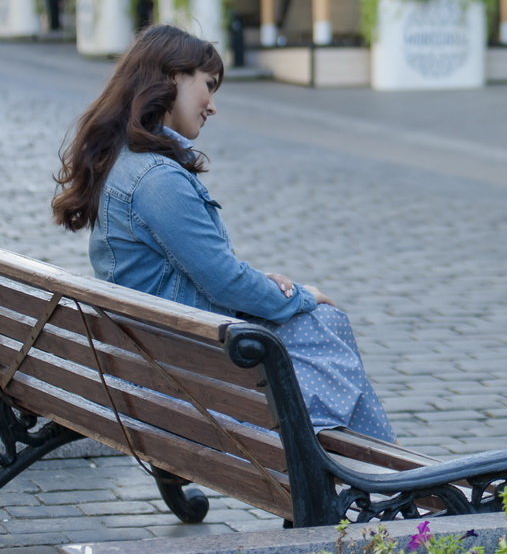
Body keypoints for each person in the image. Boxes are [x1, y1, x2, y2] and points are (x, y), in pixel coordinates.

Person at [51, 24, 394, 443]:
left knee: (315, 325)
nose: (212, 105)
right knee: (322, 321)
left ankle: (376, 472)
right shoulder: (157, 179)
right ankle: (366, 472)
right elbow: (224, 280)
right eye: (208, 86)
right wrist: (302, 294)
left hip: (152, 351)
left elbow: (200, 269)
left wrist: (265, 284)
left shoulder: (125, 161)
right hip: (180, 368)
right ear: (172, 77)